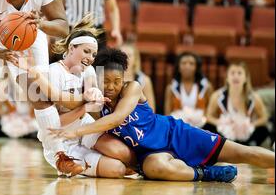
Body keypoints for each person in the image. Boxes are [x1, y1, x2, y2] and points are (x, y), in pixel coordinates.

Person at [49, 49, 275, 182]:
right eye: (105, 81)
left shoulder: (132, 88)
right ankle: (205, 174)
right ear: (96, 78)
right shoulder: (95, 99)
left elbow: (117, 119)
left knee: (244, 153)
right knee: (155, 170)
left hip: (175, 134)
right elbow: (66, 101)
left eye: (116, 81)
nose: (111, 86)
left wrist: (77, 130)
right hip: (149, 153)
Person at [23, 15, 136, 178]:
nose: (90, 58)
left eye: (93, 54)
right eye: (86, 51)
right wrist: (84, 106)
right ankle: (63, 162)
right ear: (71, 48)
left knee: (124, 154)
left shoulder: (89, 70)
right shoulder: (54, 72)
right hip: (60, 138)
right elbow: (55, 124)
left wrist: (95, 95)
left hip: (84, 127)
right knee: (116, 169)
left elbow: (95, 107)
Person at [205, 62, 270, 146]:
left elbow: (264, 118)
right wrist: (220, 122)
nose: (236, 76)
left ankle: (249, 146)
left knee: (263, 130)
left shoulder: (254, 97)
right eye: (232, 73)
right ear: (227, 78)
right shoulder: (217, 96)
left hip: (246, 133)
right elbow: (208, 116)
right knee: (207, 127)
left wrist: (251, 125)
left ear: (246, 78)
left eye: (239, 73)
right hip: (225, 134)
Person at [164, 52, 213, 128]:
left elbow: (211, 112)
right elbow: (167, 114)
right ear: (178, 67)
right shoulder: (171, 88)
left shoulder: (207, 87)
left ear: (197, 67)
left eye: (191, 63)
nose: (187, 66)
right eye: (183, 63)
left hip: (202, 128)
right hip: (178, 128)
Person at [120, 42, 155, 111]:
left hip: (138, 118)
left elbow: (151, 109)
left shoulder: (145, 80)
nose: (125, 58)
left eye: (129, 55)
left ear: (135, 59)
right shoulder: (111, 76)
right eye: (122, 55)